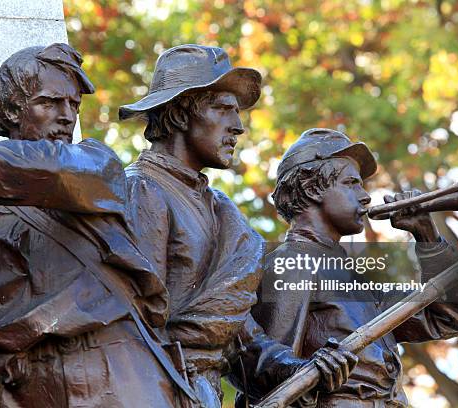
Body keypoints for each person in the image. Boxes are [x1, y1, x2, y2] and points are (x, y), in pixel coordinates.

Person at [0, 43, 185, 407]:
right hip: (26, 388)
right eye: (50, 102)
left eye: (74, 106)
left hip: (116, 374)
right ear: (10, 110)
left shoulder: (96, 167)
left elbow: (46, 170)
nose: (67, 116)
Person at [119, 45, 358, 407]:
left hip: (202, 393)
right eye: (223, 108)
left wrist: (296, 368)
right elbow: (136, 321)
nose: (238, 126)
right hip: (157, 390)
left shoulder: (222, 212)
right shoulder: (144, 190)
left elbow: (240, 332)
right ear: (183, 112)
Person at [252, 128, 458, 407]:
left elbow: (448, 318)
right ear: (311, 189)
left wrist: (428, 237)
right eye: (351, 183)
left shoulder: (357, 281)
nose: (365, 196)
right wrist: (305, 369)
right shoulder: (291, 264)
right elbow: (264, 379)